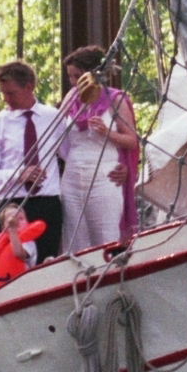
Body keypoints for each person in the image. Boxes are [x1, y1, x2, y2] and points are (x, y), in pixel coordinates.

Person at [0, 60, 65, 259]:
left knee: (47, 264)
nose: (6, 99)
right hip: (9, 206)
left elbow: (70, 155)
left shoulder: (54, 118)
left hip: (47, 203)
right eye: (3, 93)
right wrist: (18, 175)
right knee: (10, 264)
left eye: (11, 93)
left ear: (29, 87)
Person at [57, 46, 140, 254]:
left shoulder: (116, 100)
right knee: (75, 237)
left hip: (104, 174)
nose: (74, 82)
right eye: (70, 77)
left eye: (78, 76)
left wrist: (106, 132)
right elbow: (56, 132)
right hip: (73, 174)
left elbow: (131, 141)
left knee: (105, 234)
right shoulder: (71, 97)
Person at [0, 204, 47, 291]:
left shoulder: (28, 242)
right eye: (11, 219)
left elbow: (19, 254)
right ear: (3, 227)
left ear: (27, 222)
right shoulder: (0, 243)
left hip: (21, 287)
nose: (16, 222)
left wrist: (13, 230)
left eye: (21, 219)